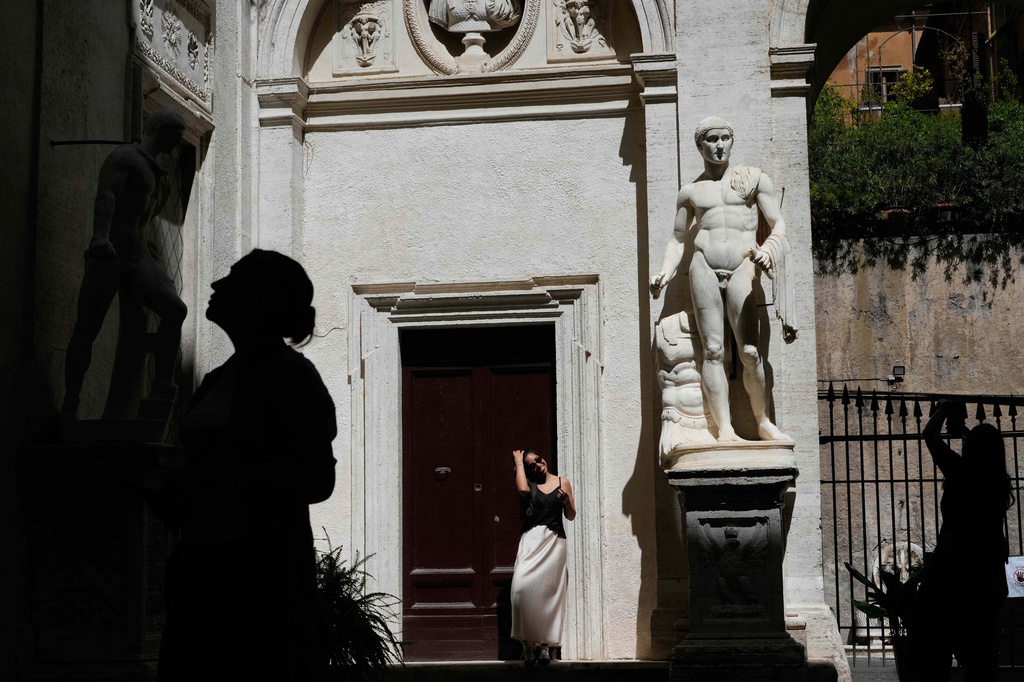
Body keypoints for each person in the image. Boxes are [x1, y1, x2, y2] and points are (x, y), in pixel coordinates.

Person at [152, 249, 337, 681]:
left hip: (256, 576)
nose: (216, 286)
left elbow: (316, 478)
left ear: (260, 299)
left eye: (231, 279)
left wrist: (221, 478)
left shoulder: (293, 377)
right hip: (200, 564)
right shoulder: (220, 377)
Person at [650, 116, 794, 443]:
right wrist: (664, 271)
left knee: (750, 352)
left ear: (732, 140)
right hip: (703, 266)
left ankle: (762, 421)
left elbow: (779, 224)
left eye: (724, 138)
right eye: (712, 139)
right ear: (700, 146)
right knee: (713, 350)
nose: (719, 146)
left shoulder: (753, 180)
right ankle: (725, 429)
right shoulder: (691, 192)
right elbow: (677, 239)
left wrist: (768, 251)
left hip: (744, 265)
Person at [61, 108, 189, 420]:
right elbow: (106, 196)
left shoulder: (159, 171)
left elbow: (146, 220)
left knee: (175, 309)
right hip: (111, 254)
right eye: (175, 134)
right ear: (158, 129)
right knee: (86, 330)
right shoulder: (127, 157)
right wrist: (100, 238)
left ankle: (163, 382)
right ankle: (71, 401)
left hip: (140, 256)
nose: (178, 142)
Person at [914, 400, 1013, 682]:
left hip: (962, 568)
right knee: (983, 644)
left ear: (970, 451)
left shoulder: (961, 472)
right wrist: (966, 432)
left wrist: (946, 409)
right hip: (990, 567)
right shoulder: (996, 480)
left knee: (949, 641)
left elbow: (929, 436)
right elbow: (985, 450)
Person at [510, 448, 576, 666]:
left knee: (548, 596)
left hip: (555, 542)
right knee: (521, 590)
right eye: (532, 465)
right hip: (531, 541)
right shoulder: (529, 485)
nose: (538, 464)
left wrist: (566, 501)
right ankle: (528, 645)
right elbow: (520, 489)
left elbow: (571, 515)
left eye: (538, 460)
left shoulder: (562, 482)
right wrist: (519, 461)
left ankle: (545, 647)